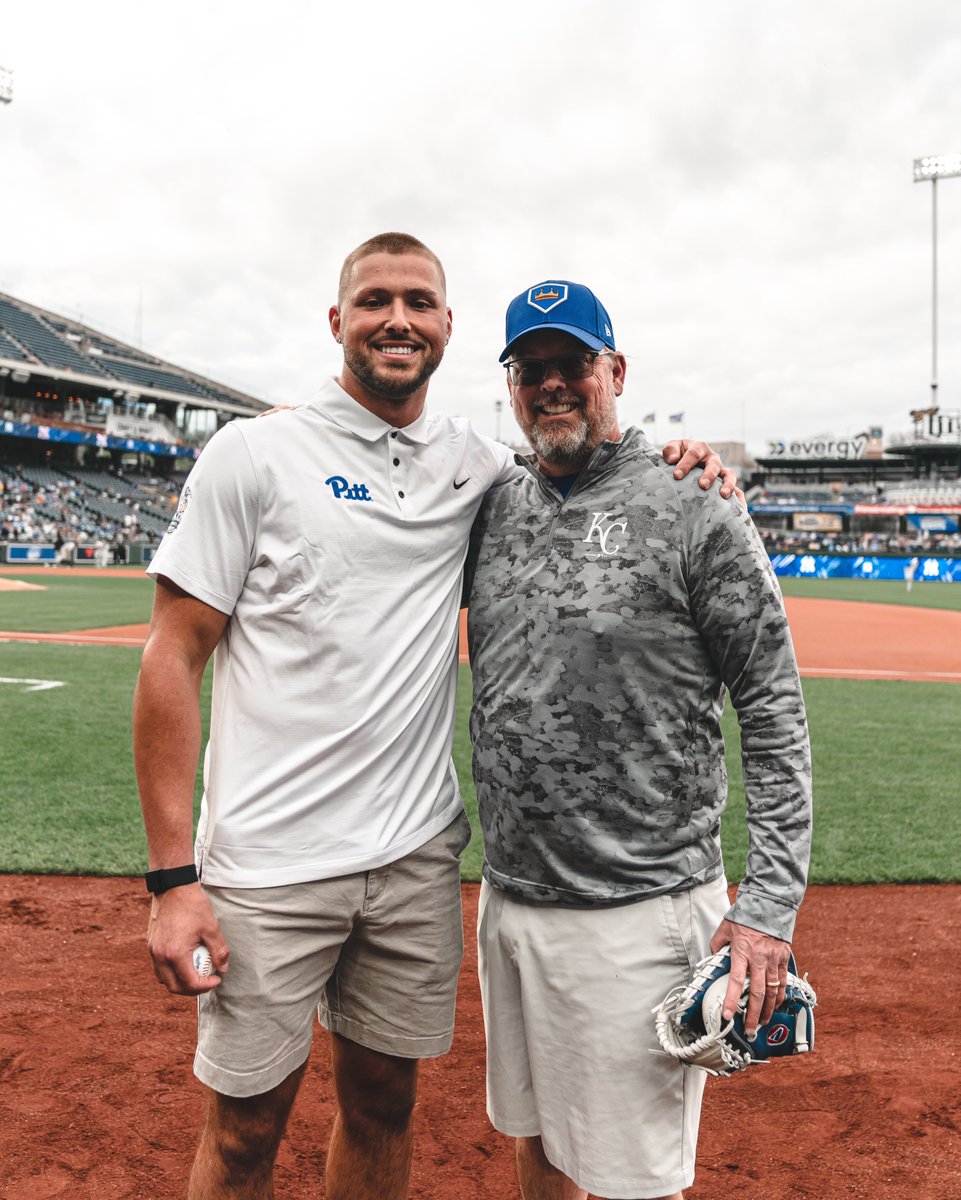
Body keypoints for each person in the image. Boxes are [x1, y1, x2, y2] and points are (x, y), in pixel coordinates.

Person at [132, 235, 737, 1200]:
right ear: (338, 322)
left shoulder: (477, 468)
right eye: (374, 300)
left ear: (449, 329)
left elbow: (578, 457)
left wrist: (681, 457)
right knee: (245, 1132)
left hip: (413, 862)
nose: (398, 319)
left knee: (383, 1107)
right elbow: (172, 655)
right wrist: (172, 879)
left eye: (420, 301)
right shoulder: (254, 454)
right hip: (269, 864)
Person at [465, 280, 813, 1200]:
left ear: (613, 370)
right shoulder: (494, 504)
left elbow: (772, 709)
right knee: (536, 1150)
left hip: (638, 907)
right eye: (529, 368)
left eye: (572, 364)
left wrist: (768, 908)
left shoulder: (694, 500)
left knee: (633, 1183)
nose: (551, 385)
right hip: (509, 899)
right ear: (509, 386)